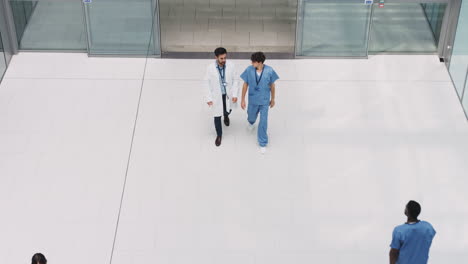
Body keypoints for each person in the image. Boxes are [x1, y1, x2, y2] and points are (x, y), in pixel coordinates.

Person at [240, 52, 279, 154]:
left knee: (263, 122)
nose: (251, 63)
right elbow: (245, 85)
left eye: (253, 62)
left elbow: (272, 86)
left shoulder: (269, 71)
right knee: (251, 116)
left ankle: (262, 143)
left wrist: (273, 99)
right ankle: (251, 122)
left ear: (260, 62)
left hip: (264, 101)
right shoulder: (249, 70)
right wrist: (242, 99)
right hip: (253, 100)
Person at [204, 47, 239, 146]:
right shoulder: (210, 68)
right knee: (217, 115)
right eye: (221, 58)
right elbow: (206, 83)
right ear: (216, 57)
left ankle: (226, 116)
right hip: (216, 96)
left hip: (228, 94)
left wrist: (235, 94)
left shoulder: (231, 66)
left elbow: (236, 79)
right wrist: (209, 98)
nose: (224, 60)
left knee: (227, 109)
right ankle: (219, 135)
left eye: (225, 58)